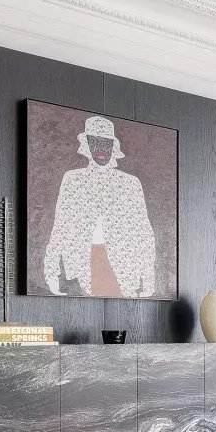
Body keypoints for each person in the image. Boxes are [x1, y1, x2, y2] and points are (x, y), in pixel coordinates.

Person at [42, 115, 159, 297]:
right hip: (84, 263)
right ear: (87, 144)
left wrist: (148, 279)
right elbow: (61, 227)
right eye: (95, 141)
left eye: (106, 142)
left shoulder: (130, 183)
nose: (101, 148)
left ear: (113, 146)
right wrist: (51, 274)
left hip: (124, 264)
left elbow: (143, 232)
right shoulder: (73, 179)